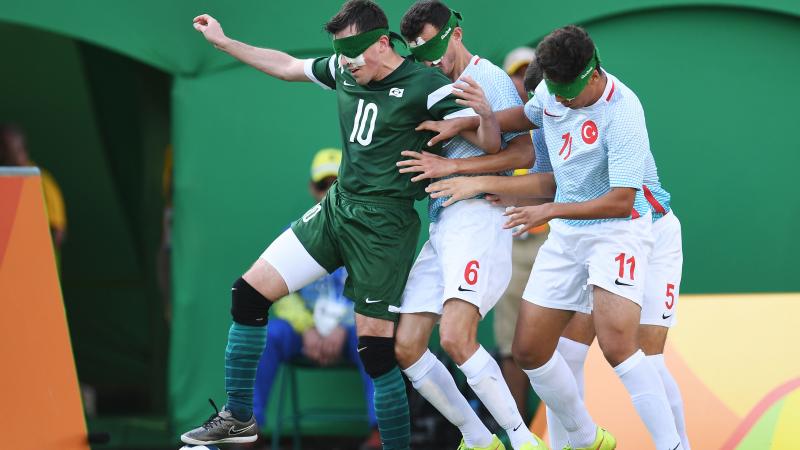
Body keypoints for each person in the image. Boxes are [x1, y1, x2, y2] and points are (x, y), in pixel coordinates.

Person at [186, 1, 498, 447]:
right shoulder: (347, 67)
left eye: (354, 57)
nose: (348, 67)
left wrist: (484, 116)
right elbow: (287, 66)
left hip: (385, 227)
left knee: (375, 353)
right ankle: (239, 417)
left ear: (383, 43)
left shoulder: (426, 86)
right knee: (248, 293)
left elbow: (487, 143)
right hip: (338, 209)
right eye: (343, 58)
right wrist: (223, 41)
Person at [425, 25, 684, 450]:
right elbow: (527, 119)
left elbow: (620, 201)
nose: (559, 101)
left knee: (628, 350)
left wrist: (547, 209)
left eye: (568, 93)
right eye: (554, 91)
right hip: (568, 231)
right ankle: (583, 438)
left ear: (593, 73)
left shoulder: (623, 111)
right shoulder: (552, 93)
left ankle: (673, 445)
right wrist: (470, 122)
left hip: (623, 230)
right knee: (530, 350)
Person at [392, 2, 544, 450]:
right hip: (443, 221)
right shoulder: (430, 82)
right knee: (407, 346)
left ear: (455, 32)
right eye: (420, 52)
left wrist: (455, 172)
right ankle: (478, 438)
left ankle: (522, 438)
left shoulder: (491, 77)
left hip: (478, 217)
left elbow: (523, 155)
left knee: (458, 337)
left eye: (435, 46)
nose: (432, 59)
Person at [252, 148, 381, 450]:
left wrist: (343, 326)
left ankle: (380, 430)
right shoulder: (294, 235)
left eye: (337, 182)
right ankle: (250, 426)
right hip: (304, 332)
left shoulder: (369, 236)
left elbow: (376, 294)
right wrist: (307, 328)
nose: (330, 192)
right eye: (323, 184)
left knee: (375, 336)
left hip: (352, 331)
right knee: (267, 336)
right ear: (313, 189)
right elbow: (280, 293)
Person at [493, 47, 550, 421]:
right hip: (509, 242)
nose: (523, 81)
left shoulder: (557, 117)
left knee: (558, 345)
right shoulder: (497, 126)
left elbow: (554, 188)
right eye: (517, 73)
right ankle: (519, 431)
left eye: (531, 73)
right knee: (511, 346)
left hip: (552, 241)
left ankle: (560, 428)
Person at [0, 124, 67, 258]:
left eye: (3, 147)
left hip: (36, 262)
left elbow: (57, 231)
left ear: (21, 150)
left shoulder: (42, 182)